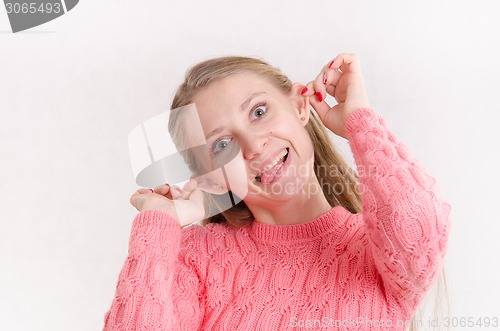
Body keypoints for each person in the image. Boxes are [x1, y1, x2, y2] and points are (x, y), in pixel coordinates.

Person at [102, 53, 451, 330]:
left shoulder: (378, 253)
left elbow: (419, 223)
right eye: (222, 144)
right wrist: (158, 223)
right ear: (210, 179)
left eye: (258, 111)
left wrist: (359, 120)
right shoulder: (196, 260)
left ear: (301, 105)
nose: (253, 145)